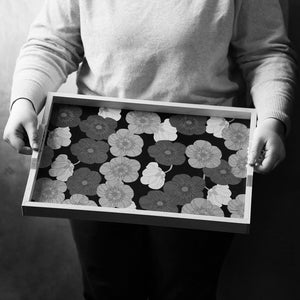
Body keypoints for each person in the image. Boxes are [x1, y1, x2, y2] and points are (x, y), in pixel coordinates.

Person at [3, 0, 296, 299]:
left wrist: (273, 119)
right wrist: (25, 101)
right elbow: (52, 43)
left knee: (186, 289)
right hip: (93, 149)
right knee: (107, 288)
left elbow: (265, 53)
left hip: (206, 153)